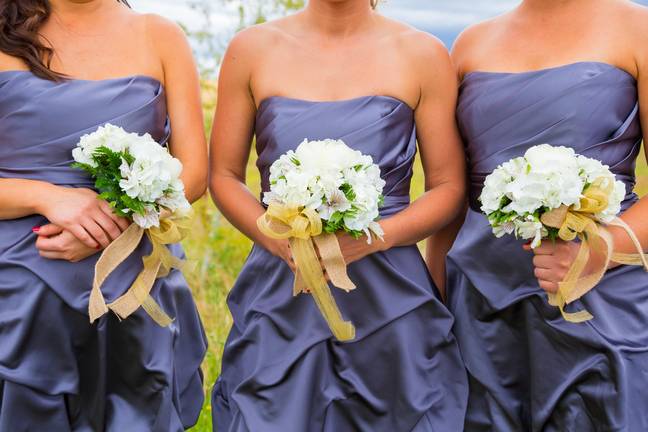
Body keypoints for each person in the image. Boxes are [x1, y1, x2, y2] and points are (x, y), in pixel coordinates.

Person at [209, 0, 469, 430]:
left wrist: (372, 238)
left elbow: (448, 188)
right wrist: (280, 241)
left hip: (390, 293)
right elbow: (223, 175)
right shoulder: (251, 49)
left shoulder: (422, 53)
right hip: (284, 286)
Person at [428, 0, 648, 430]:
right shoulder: (471, 43)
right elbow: (454, 200)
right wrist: (432, 302)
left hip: (600, 298)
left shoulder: (638, 28)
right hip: (479, 307)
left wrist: (600, 249)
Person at [0, 0, 208, 429]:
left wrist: (118, 219)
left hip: (132, 279)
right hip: (17, 287)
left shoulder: (159, 34)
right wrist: (46, 196)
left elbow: (195, 172)